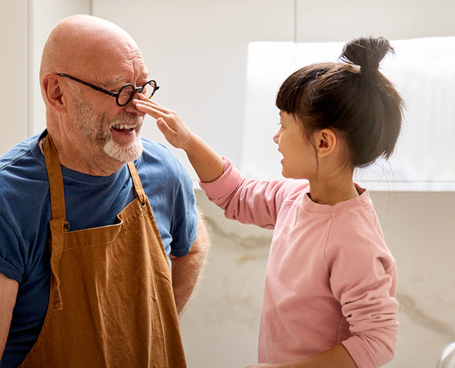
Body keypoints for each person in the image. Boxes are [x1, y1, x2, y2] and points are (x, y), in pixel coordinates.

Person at [0, 15, 209, 368]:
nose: (137, 105)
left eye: (142, 87)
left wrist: (152, 331)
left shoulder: (164, 172)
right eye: (120, 90)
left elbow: (193, 244)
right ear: (57, 94)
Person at [135, 36, 402, 368]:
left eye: (283, 125)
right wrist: (187, 141)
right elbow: (236, 195)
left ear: (323, 142)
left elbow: (377, 341)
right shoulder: (295, 198)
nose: (276, 137)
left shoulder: (352, 240)